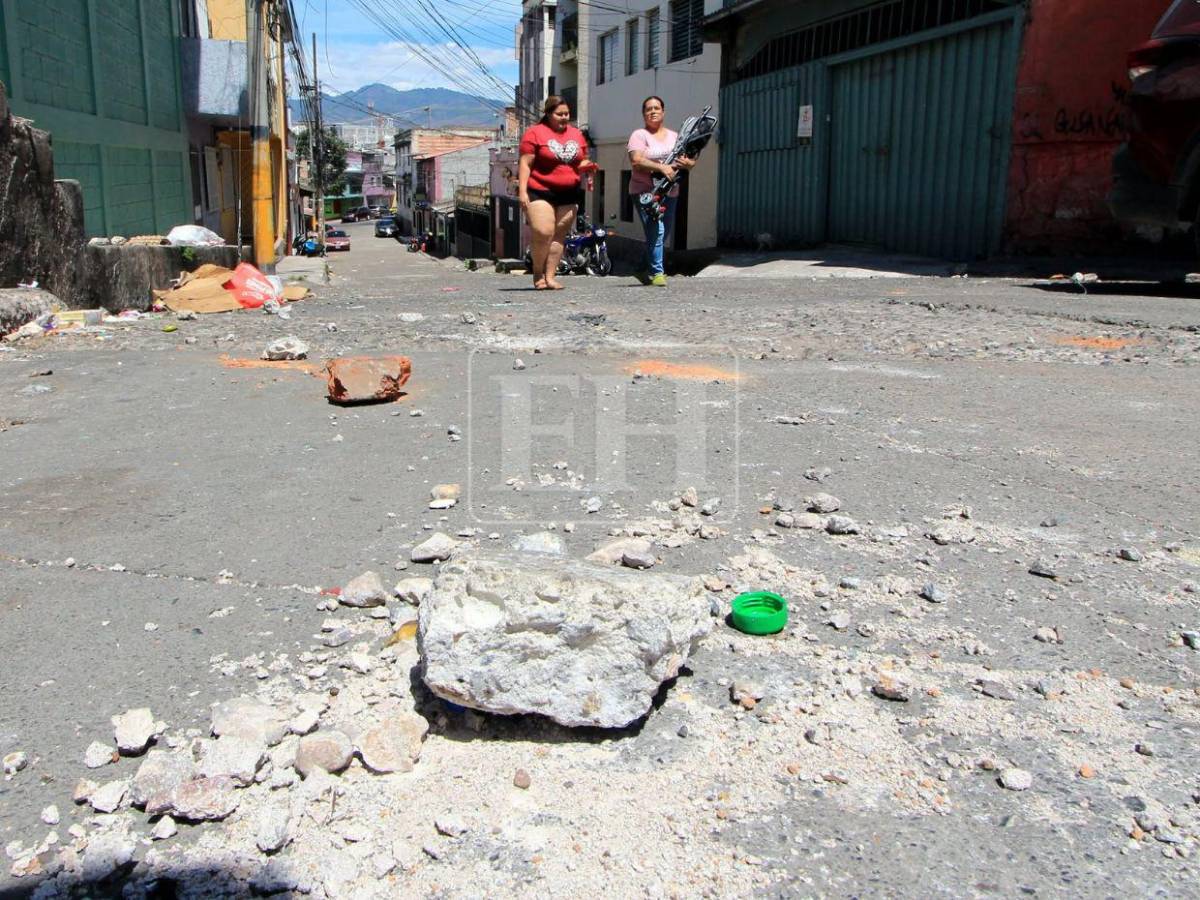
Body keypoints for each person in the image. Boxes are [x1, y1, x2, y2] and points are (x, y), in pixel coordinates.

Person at [518, 96, 597, 290]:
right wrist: (522, 191)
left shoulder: (576, 134)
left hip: (569, 191)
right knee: (543, 232)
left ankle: (550, 276)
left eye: (567, 114)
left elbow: (581, 160)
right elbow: (525, 163)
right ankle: (537, 274)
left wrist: (588, 167)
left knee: (559, 235)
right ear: (548, 114)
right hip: (540, 189)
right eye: (559, 114)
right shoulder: (535, 133)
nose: (564, 117)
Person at [627, 96, 696, 287]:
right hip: (645, 192)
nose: (653, 111)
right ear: (643, 114)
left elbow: (689, 159)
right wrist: (662, 168)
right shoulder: (639, 135)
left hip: (670, 191)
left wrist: (688, 164)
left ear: (663, 112)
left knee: (660, 234)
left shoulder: (675, 136)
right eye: (648, 109)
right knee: (657, 230)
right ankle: (657, 273)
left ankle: (641, 267)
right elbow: (637, 161)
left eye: (657, 108)